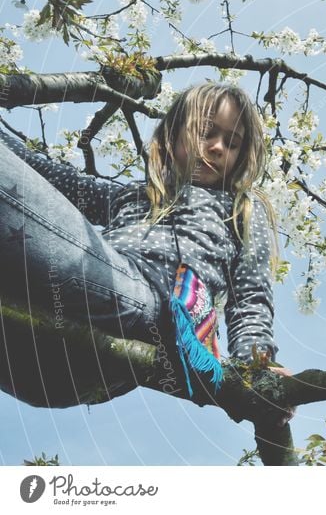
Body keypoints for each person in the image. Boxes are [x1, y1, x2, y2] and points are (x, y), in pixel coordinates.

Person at [0, 83, 292, 423]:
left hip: (143, 307)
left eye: (232, 143)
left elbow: (250, 299)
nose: (216, 147)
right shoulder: (133, 195)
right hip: (33, 355)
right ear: (171, 134)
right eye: (205, 131)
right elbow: (51, 176)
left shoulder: (238, 210)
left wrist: (258, 370)